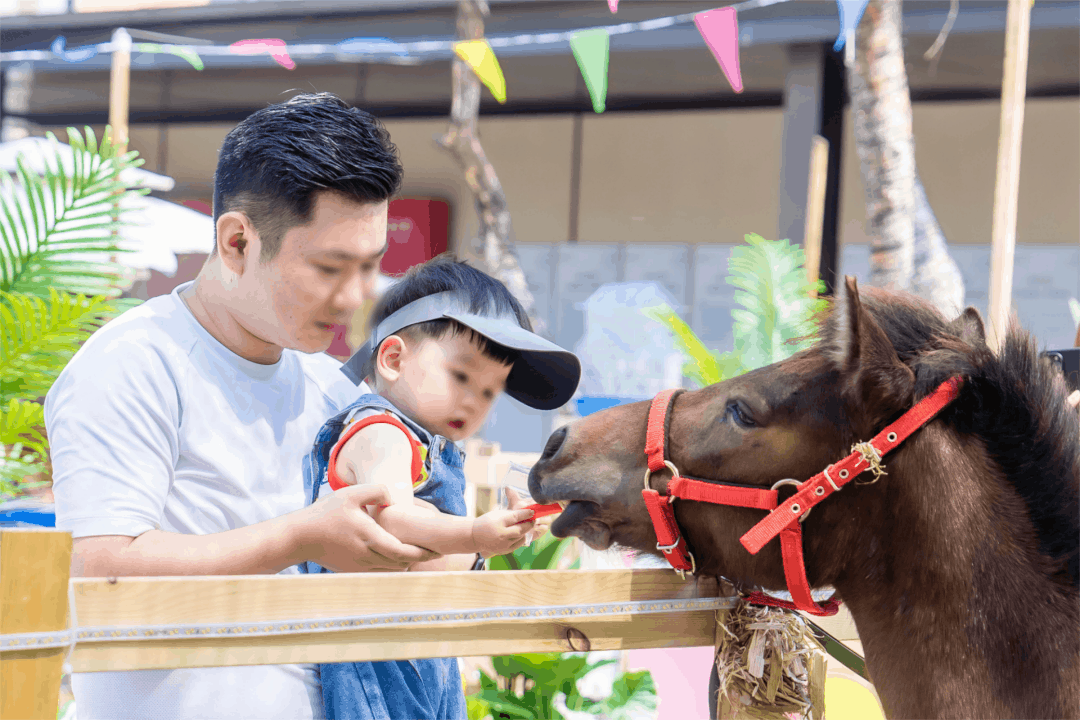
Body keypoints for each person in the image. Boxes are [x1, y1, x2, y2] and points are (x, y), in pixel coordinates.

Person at [45, 93, 440, 720]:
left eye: (371, 268)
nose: (356, 297)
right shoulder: (133, 362)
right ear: (236, 242)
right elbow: (101, 568)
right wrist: (301, 536)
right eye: (331, 268)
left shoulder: (329, 386)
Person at [304, 255, 581, 720]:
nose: (475, 401)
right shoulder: (382, 433)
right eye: (461, 375)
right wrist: (475, 534)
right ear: (393, 359)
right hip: (373, 659)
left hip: (423, 649)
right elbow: (394, 518)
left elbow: (431, 562)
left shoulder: (431, 447)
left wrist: (493, 538)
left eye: (492, 390)